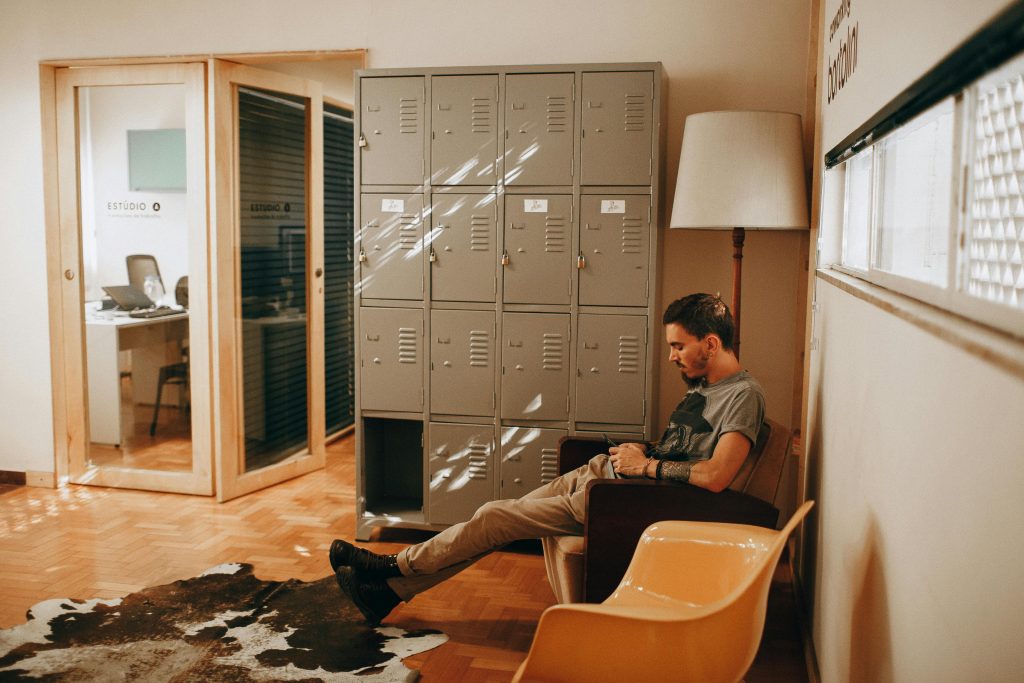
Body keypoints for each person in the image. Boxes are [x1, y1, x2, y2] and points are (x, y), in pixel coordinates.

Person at [331, 293, 766, 625]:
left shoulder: (743, 396)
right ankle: (385, 593)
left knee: (493, 517)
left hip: (619, 501)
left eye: (678, 346)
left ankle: (394, 564)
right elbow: (686, 449)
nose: (671, 356)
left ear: (711, 344)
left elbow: (716, 475)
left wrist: (645, 467)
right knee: (491, 522)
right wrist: (642, 452)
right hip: (605, 478)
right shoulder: (703, 384)